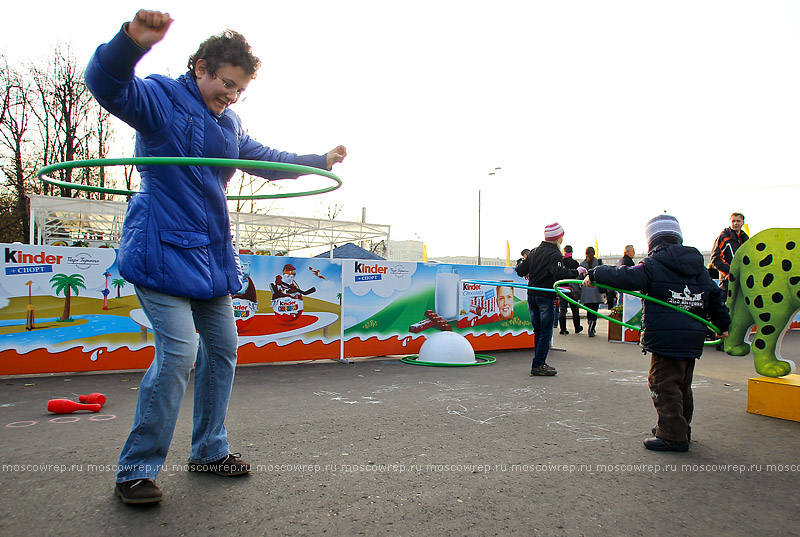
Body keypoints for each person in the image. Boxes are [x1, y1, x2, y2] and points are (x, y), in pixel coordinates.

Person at [85, 10, 347, 504]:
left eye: (239, 90)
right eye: (225, 83)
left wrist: (317, 161)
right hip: (161, 249)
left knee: (223, 349)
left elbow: (262, 157)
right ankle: (136, 470)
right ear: (201, 66)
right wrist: (130, 43)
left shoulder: (229, 123)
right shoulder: (161, 99)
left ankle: (208, 448)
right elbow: (108, 84)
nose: (230, 95)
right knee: (179, 354)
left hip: (209, 259)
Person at [583, 215, 730, 452]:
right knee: (682, 385)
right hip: (692, 337)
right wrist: (723, 324)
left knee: (662, 384)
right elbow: (715, 297)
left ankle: (672, 435)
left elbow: (626, 276)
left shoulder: (654, 265)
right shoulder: (699, 269)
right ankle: (680, 427)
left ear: (651, 240)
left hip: (666, 338)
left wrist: (596, 274)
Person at [515, 223, 586, 376]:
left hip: (532, 295)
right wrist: (577, 271)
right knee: (545, 332)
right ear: (558, 238)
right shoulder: (554, 254)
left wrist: (523, 265)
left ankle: (539, 363)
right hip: (545, 296)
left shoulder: (534, 251)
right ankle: (538, 365)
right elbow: (558, 273)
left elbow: (520, 271)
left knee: (539, 331)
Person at [710, 212, 748, 293]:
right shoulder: (724, 237)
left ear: (743, 223)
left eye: (738, 221)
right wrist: (730, 271)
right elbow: (715, 258)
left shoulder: (745, 239)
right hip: (727, 281)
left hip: (742, 280)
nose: (735, 223)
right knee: (725, 304)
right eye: (733, 221)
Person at [558, 245, 583, 335]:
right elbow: (578, 276)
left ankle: (563, 329)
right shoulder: (574, 263)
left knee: (562, 309)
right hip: (572, 289)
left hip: (560, 288)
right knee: (575, 309)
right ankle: (577, 328)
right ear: (572, 252)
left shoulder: (560, 262)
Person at [579, 246, 603, 337]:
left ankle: (590, 326)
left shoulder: (582, 264)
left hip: (586, 291)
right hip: (595, 290)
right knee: (594, 311)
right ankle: (591, 328)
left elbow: (579, 278)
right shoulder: (599, 263)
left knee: (589, 311)